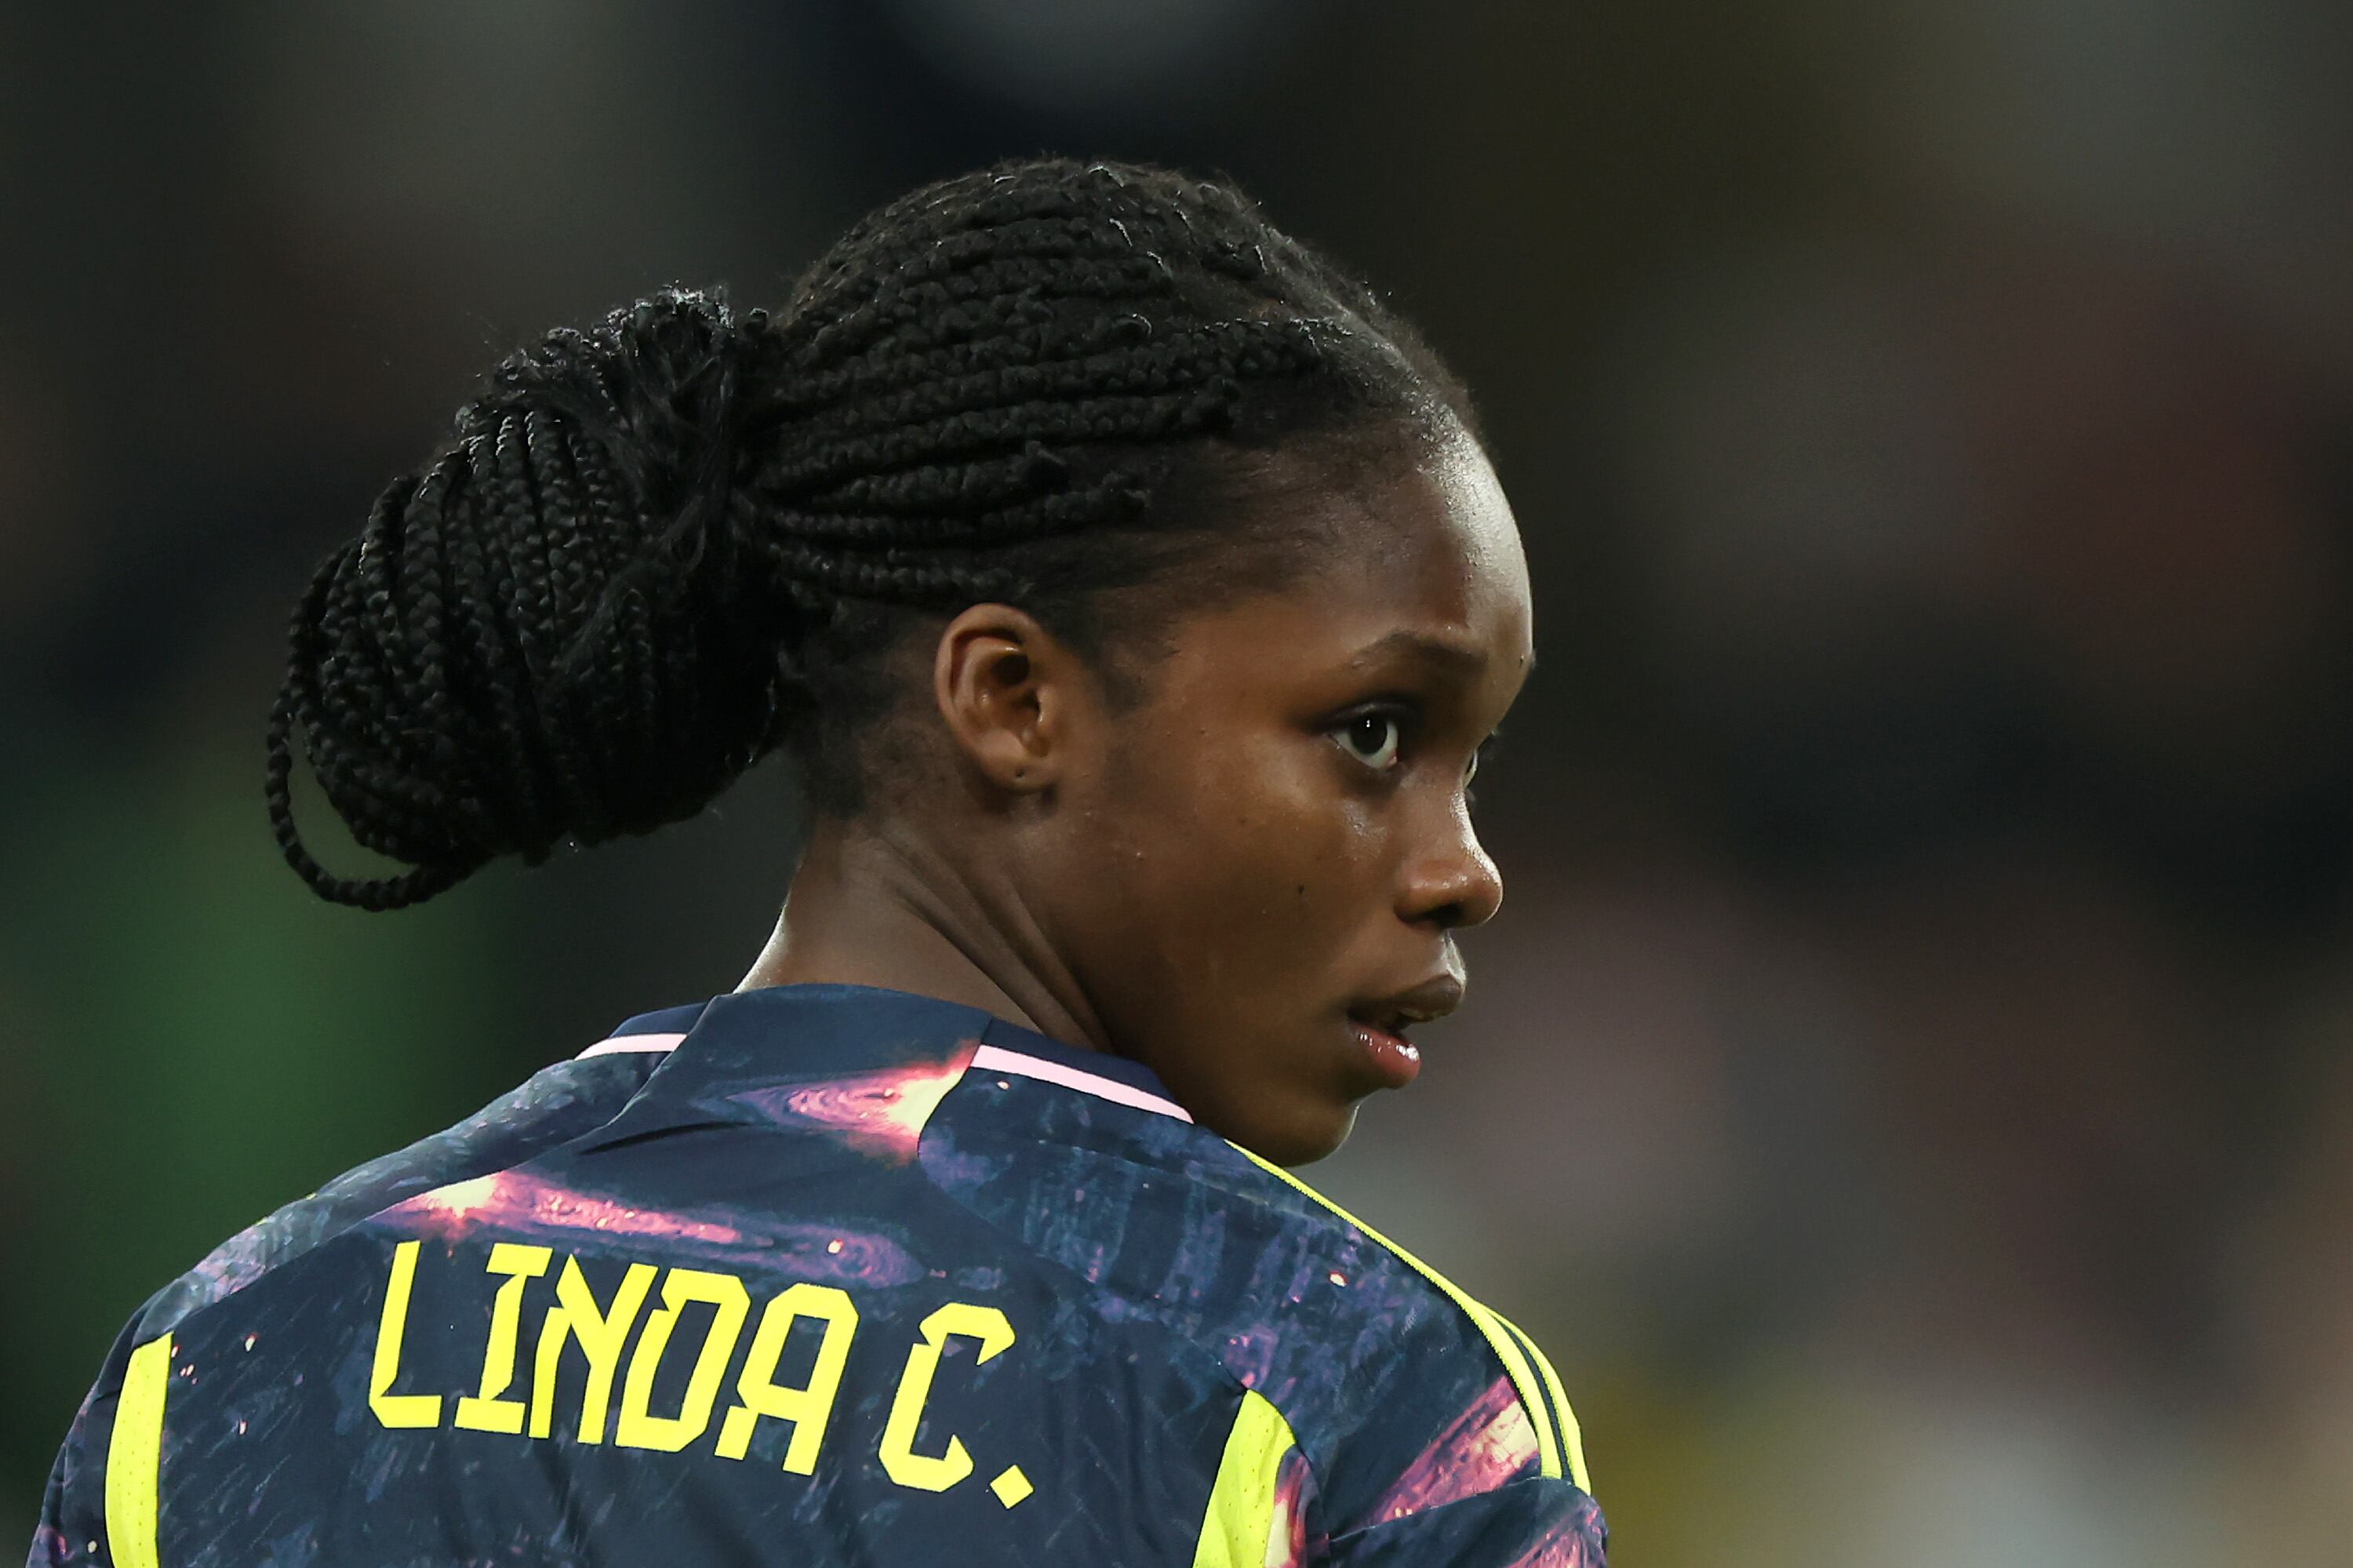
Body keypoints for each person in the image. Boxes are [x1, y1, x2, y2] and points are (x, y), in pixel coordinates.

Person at [29, 155, 1605, 1566]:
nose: (1464, 872)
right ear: (1013, 700)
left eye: (1471, 762)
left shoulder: (221, 1362)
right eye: (1376, 733)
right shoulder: (1362, 1410)